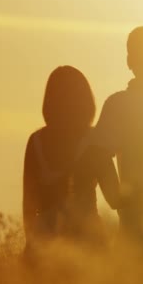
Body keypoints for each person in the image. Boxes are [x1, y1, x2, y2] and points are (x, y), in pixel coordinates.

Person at [23, 66, 120, 257]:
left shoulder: (36, 141)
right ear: (85, 100)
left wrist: (32, 248)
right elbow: (115, 198)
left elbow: (28, 206)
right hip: (89, 242)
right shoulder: (95, 140)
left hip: (45, 240)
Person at [90, 26, 143, 246]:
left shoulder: (119, 105)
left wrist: (117, 199)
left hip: (138, 233)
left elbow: (97, 155)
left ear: (129, 61)